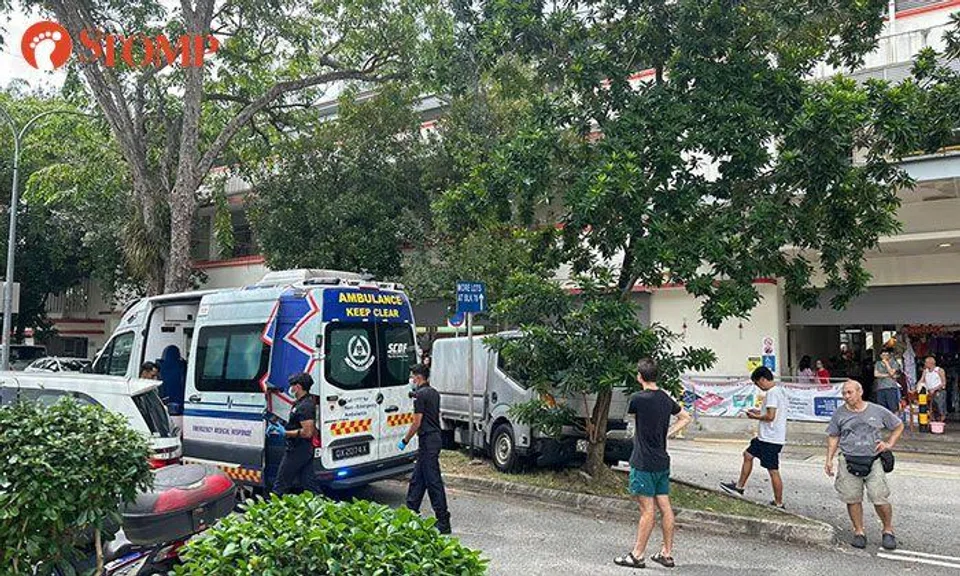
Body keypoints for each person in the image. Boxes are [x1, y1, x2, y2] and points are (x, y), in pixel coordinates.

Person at [615, 358, 692, 569]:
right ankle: (667, 553)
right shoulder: (665, 398)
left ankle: (637, 555)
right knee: (665, 507)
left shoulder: (637, 399)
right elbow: (685, 417)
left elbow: (629, 417)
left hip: (642, 461)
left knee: (646, 510)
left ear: (639, 376)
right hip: (661, 460)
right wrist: (668, 433)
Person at [825, 380, 904, 550]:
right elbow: (833, 436)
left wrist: (889, 444)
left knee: (879, 497)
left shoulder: (877, 410)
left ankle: (888, 530)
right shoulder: (839, 414)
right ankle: (859, 531)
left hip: (873, 460)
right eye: (844, 393)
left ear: (859, 392)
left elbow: (898, 425)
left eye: (849, 392)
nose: (846, 396)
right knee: (852, 498)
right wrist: (829, 459)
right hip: (848, 460)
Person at [720, 366, 788, 508]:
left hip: (770, 438)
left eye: (757, 383)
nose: (758, 387)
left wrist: (754, 416)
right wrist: (758, 411)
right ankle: (739, 487)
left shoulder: (772, 393)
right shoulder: (779, 391)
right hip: (765, 437)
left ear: (763, 379)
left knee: (773, 470)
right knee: (748, 455)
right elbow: (770, 411)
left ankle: (779, 503)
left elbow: (770, 416)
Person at [398, 364, 450, 534]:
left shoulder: (420, 396)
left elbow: (416, 422)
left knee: (433, 481)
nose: (411, 380)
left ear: (418, 377)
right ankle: (411, 511)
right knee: (417, 479)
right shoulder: (434, 392)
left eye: (413, 377)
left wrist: (405, 440)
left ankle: (443, 521)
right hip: (433, 439)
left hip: (428, 440)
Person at [270, 372, 321, 496]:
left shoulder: (305, 406)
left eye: (292, 385)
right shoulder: (301, 403)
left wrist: (284, 433)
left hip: (298, 449)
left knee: (281, 484)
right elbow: (297, 423)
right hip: (302, 449)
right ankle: (321, 508)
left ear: (298, 387)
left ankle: (272, 511)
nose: (290, 388)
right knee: (309, 483)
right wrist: (279, 425)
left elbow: (307, 432)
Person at [918, 355, 947, 423]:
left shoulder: (939, 370)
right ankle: (934, 423)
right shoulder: (925, 371)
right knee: (930, 409)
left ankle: (940, 422)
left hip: (938, 391)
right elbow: (921, 380)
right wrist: (917, 386)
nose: (925, 364)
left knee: (940, 407)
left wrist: (934, 389)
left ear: (931, 363)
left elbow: (943, 383)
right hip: (929, 392)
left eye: (926, 362)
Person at [874, 349, 902, 414]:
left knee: (893, 407)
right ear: (880, 356)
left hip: (890, 387)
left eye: (886, 355)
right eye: (883, 355)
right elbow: (876, 374)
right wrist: (889, 375)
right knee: (881, 407)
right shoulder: (878, 363)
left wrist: (886, 363)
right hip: (880, 387)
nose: (884, 356)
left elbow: (892, 373)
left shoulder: (894, 363)